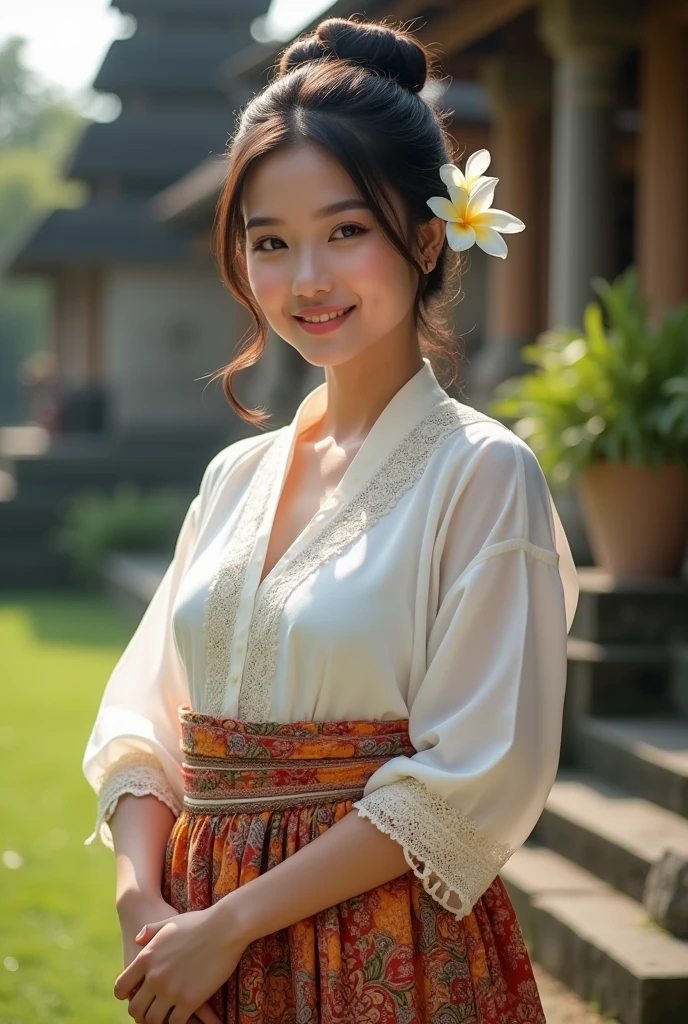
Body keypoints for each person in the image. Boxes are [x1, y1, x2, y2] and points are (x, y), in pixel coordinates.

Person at [82, 15, 579, 1024]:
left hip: (382, 948)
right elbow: (146, 717)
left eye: (345, 230)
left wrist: (233, 923)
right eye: (271, 241)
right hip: (195, 944)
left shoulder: (481, 476)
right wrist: (145, 893)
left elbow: (470, 775)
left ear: (429, 234)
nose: (305, 278)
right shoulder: (232, 478)